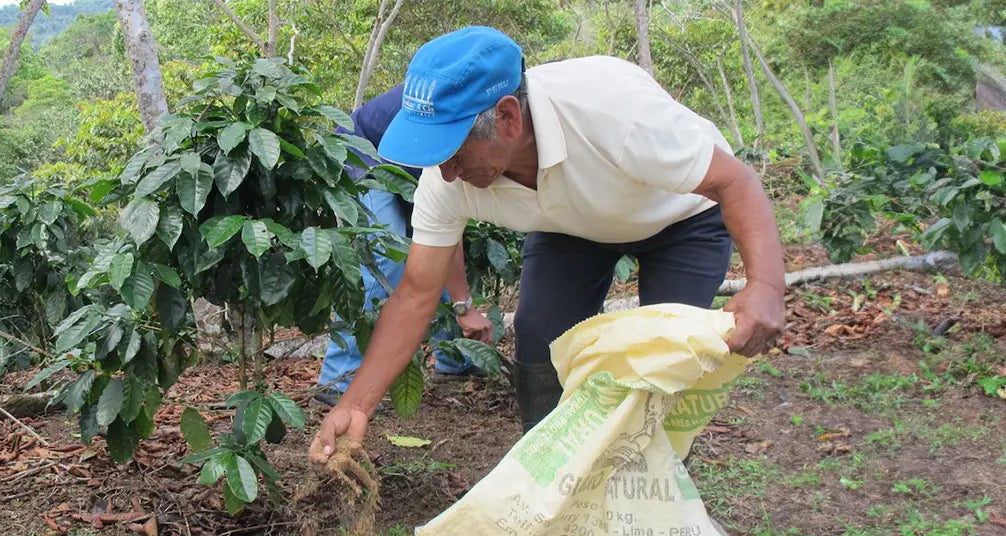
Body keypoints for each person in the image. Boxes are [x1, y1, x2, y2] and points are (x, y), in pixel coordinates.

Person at [309, 26, 786, 462]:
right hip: (572, 225)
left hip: (682, 218)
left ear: (509, 118)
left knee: (661, 356)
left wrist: (766, 284)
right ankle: (552, 473)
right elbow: (415, 293)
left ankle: (649, 485)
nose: (446, 172)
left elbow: (736, 182)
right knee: (540, 338)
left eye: (454, 151)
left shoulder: (610, 112)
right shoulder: (446, 179)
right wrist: (356, 404)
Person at [314, 84, 494, 407]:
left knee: (430, 257)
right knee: (388, 257)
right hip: (362, 150)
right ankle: (336, 378)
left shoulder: (479, 118)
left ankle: (454, 358)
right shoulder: (449, 121)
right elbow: (449, 236)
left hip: (403, 167)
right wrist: (465, 307)